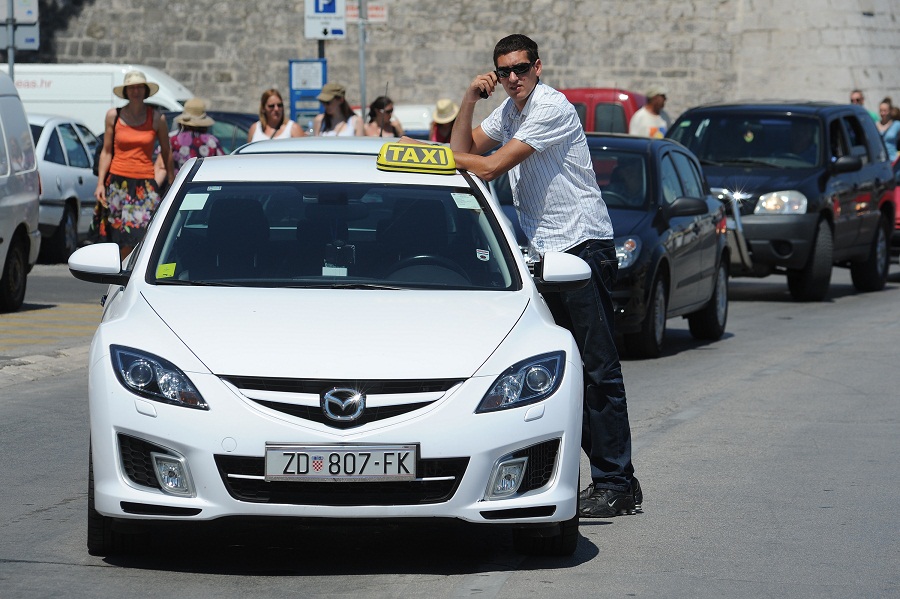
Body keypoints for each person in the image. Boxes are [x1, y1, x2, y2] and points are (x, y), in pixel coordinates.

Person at [446, 33, 640, 518]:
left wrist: (436, 157)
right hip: (545, 254)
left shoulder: (550, 107)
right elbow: (464, 148)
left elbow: (487, 167)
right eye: (504, 71)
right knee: (563, 372)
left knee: (597, 370)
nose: (513, 77)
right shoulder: (509, 111)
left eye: (521, 68)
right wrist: (468, 99)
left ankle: (616, 483)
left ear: (538, 66)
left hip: (582, 247)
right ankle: (614, 479)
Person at [93, 70, 173, 261]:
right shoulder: (114, 116)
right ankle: (120, 271)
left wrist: (172, 180)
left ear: (145, 91)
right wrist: (100, 183)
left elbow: (166, 151)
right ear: (126, 91)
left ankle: (133, 269)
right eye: (131, 88)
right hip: (117, 182)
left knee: (143, 233)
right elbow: (106, 151)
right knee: (117, 236)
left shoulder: (157, 118)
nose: (135, 91)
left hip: (144, 183)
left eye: (139, 87)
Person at [154, 98, 225, 179]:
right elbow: (222, 164)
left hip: (179, 184)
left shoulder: (172, 139)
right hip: (205, 184)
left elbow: (161, 166)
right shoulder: (212, 141)